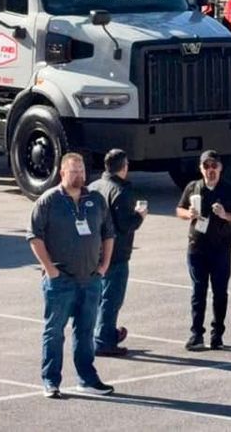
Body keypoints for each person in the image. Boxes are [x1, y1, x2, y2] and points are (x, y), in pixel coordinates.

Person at [26, 153, 115, 400]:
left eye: (82, 170)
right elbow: (34, 236)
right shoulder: (48, 201)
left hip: (91, 279)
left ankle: (87, 379)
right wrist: (50, 269)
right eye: (74, 171)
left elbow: (109, 233)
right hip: (60, 280)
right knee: (54, 331)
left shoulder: (96, 199)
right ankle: (51, 381)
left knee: (86, 331)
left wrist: (104, 266)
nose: (80, 175)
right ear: (62, 173)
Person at [175, 151, 231, 351]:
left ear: (220, 168)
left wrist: (226, 215)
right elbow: (179, 210)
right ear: (201, 168)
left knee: (219, 292)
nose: (210, 170)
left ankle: (217, 334)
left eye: (214, 166)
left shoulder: (230, 191)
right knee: (198, 292)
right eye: (206, 166)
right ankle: (196, 335)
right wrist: (188, 214)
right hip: (197, 247)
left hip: (221, 249)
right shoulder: (193, 188)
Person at [89, 149, 146, 360]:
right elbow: (124, 225)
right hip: (116, 253)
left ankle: (100, 334)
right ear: (124, 167)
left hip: (94, 250)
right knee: (112, 298)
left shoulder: (94, 186)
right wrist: (139, 216)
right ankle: (104, 341)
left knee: (96, 297)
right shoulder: (121, 191)